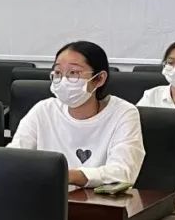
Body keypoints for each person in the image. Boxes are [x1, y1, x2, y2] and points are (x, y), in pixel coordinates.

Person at [9, 40, 144, 187]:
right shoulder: (43, 110)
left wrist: (68, 176)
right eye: (58, 73)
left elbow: (123, 172)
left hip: (97, 200)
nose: (64, 80)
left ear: (99, 79)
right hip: (45, 196)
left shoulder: (123, 113)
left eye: (73, 73)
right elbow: (14, 158)